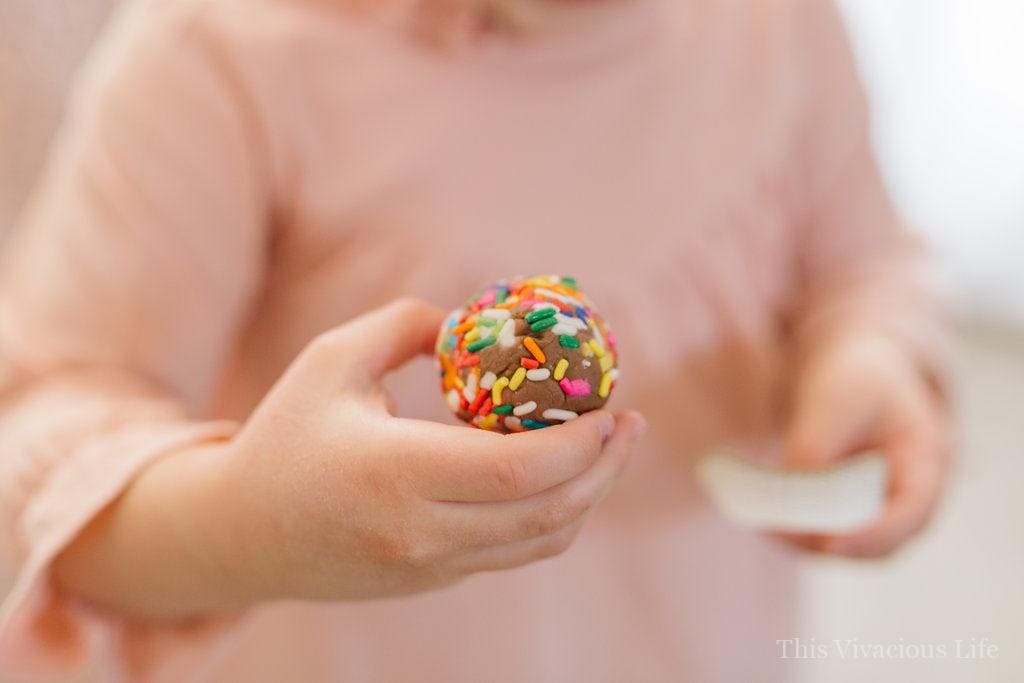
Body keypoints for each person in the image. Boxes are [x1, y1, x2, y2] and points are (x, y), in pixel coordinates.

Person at [0, 0, 950, 680]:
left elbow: (864, 263)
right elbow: (48, 438)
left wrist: (868, 356)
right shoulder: (223, 50)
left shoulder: (784, 28)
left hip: (701, 644)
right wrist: (252, 527)